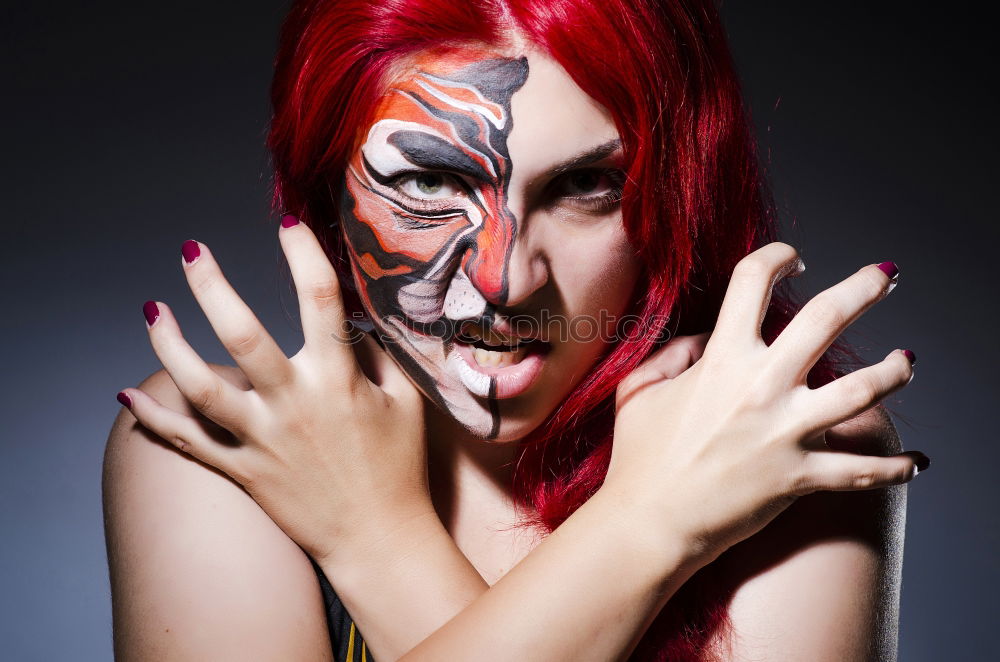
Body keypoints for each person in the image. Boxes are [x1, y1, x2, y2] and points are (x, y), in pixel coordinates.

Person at [103, 0, 929, 660]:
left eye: (584, 184)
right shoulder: (212, 441)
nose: (505, 278)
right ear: (325, 189)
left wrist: (371, 538)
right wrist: (653, 527)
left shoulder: (787, 435)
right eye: (428, 178)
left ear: (680, 195)